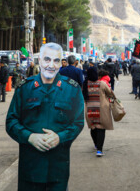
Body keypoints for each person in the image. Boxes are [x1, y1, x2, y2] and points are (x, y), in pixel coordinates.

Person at [6, 42, 84, 190]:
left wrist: (60, 137)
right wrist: (29, 137)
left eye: (56, 61)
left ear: (61, 63)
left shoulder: (72, 89)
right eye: (47, 59)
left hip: (58, 169)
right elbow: (11, 121)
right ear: (40, 60)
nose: (51, 65)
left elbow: (78, 123)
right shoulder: (24, 88)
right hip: (29, 169)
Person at [82, 66, 114, 157]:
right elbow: (110, 93)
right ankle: (99, 150)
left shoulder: (85, 84)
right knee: (101, 128)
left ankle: (96, 144)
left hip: (89, 110)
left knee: (93, 127)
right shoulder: (102, 83)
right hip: (101, 110)